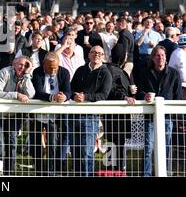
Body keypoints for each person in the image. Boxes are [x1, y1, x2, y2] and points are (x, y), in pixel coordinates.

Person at [136, 45, 183, 176]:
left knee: (165, 147)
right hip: (150, 117)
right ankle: (146, 175)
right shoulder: (145, 72)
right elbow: (139, 92)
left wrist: (176, 115)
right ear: (152, 58)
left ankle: (164, 173)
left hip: (167, 117)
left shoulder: (174, 73)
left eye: (162, 55)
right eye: (157, 55)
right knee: (148, 148)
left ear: (166, 58)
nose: (160, 58)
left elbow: (178, 96)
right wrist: (144, 95)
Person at [70, 46, 112, 177]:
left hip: (90, 117)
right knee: (75, 152)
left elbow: (103, 95)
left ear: (103, 56)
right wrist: (74, 95)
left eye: (100, 53)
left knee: (86, 152)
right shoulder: (80, 70)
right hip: (74, 115)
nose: (97, 55)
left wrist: (86, 97)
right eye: (94, 52)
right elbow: (71, 89)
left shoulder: (106, 73)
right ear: (88, 55)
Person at [0, 56, 35, 175]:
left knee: (12, 145)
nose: (22, 67)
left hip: (15, 116)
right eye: (20, 64)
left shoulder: (27, 76)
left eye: (26, 66)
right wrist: (16, 95)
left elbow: (31, 94)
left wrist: (26, 75)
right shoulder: (5, 72)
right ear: (14, 64)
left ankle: (9, 172)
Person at [31, 52, 71, 176]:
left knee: (53, 143)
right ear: (44, 64)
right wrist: (52, 97)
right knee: (36, 143)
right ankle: (39, 171)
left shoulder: (64, 72)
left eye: (56, 67)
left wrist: (64, 96)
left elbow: (68, 90)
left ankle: (52, 171)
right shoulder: (37, 72)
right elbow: (37, 92)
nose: (53, 71)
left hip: (55, 113)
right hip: (38, 112)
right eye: (50, 68)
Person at [103, 43, 137, 173]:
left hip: (119, 114)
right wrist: (124, 96)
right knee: (113, 142)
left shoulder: (119, 70)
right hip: (114, 113)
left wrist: (130, 90)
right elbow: (111, 90)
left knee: (117, 143)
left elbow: (123, 88)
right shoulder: (111, 70)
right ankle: (113, 170)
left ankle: (117, 170)